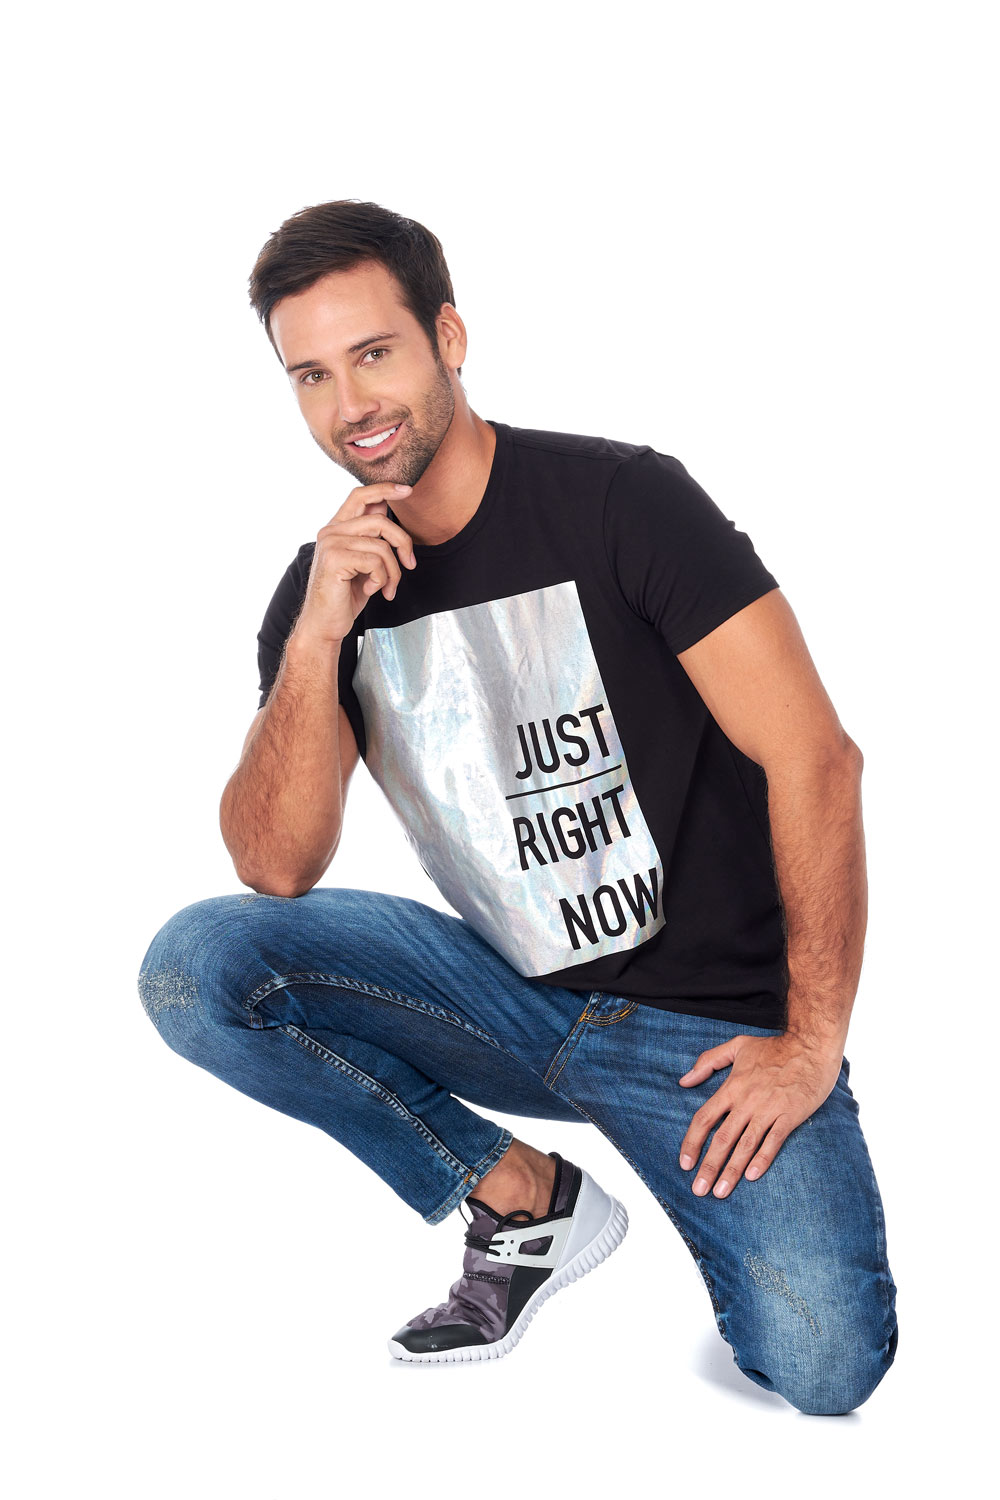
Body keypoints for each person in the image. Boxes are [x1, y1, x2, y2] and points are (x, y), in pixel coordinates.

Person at [139, 199, 898, 1409]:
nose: (351, 405)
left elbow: (817, 760)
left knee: (822, 1367)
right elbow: (274, 867)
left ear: (448, 337)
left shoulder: (623, 503)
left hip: (705, 1036)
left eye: (374, 354)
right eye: (312, 376)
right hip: (508, 1000)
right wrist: (320, 636)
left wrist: (808, 1045)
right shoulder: (327, 590)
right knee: (199, 968)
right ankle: (519, 1198)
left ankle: (711, 1187)